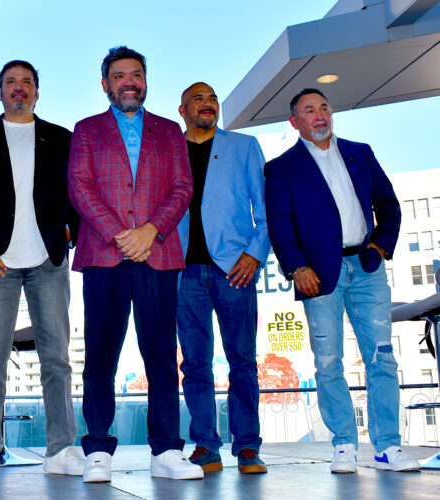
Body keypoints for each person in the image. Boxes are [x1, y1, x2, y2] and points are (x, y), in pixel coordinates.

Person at [264, 88, 419, 473]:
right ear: (294, 122)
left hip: (367, 268)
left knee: (382, 358)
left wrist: (380, 247)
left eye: (324, 108)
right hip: (317, 277)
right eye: (309, 111)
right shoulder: (281, 168)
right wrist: (297, 267)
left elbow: (388, 206)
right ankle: (344, 444)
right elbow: (279, 226)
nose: (319, 116)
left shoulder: (360, 152)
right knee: (329, 362)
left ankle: (387, 447)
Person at [68, 46, 200, 482]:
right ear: (105, 84)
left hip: (157, 255)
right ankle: (98, 450)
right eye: (120, 75)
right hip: (103, 254)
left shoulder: (169, 131)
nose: (130, 81)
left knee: (161, 354)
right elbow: (80, 187)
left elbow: (182, 188)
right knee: (100, 354)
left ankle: (165, 451)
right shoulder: (86, 130)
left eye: (137, 74)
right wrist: (120, 235)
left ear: (146, 81)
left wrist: (150, 232)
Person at [0, 60, 83, 479]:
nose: (19, 89)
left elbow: (80, 190)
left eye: (26, 82)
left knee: (57, 359)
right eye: (10, 82)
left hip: (48, 260)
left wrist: (72, 230)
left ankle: (62, 447)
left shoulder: (62, 139)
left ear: (36, 91)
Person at [176, 82, 269, 474]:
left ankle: (247, 447)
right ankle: (206, 445)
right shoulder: (168, 149)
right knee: (195, 364)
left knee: (242, 360)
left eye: (212, 98)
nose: (207, 104)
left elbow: (266, 208)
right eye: (198, 98)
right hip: (182, 271)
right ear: (183, 110)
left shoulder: (244, 146)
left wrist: (254, 254)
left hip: (234, 268)